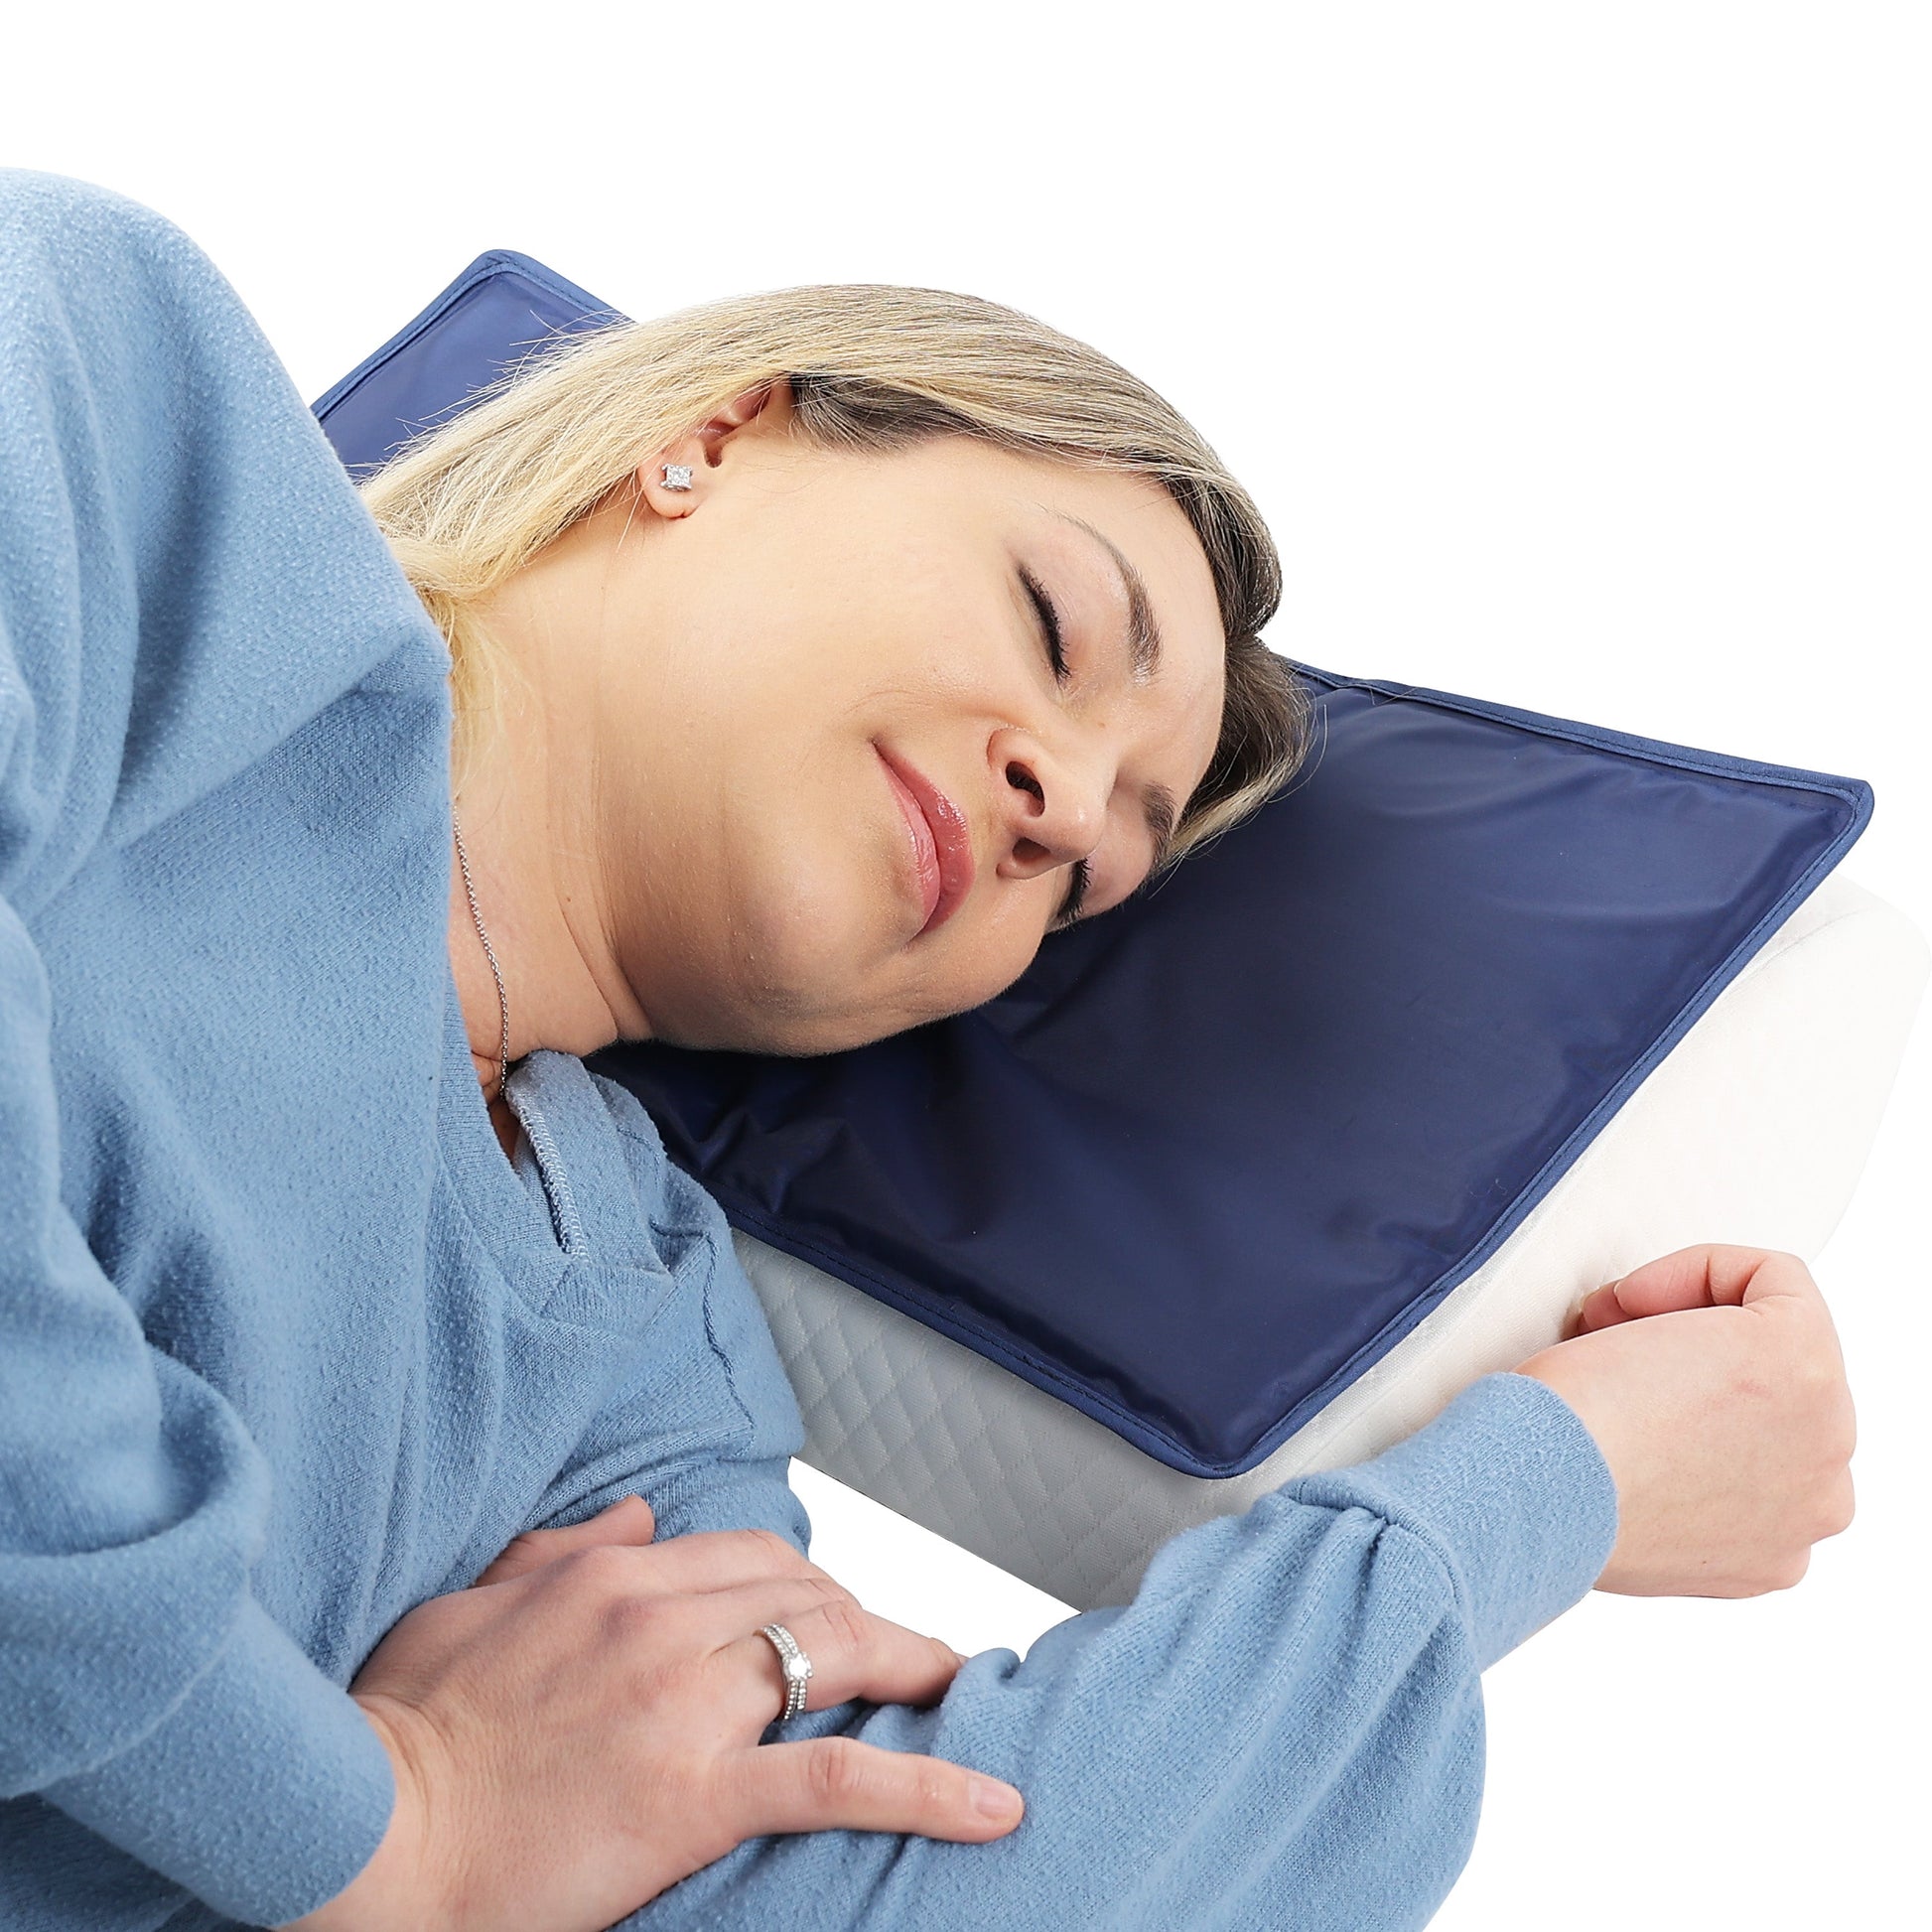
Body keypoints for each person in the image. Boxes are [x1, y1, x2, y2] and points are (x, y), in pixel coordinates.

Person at [0, 170, 1857, 1932]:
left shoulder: (639, 1360)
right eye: (1054, 624)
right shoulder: (115, 395)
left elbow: (979, 1880)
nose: (1058, 812)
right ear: (712, 436)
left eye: (1090, 885)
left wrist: (1535, 1484)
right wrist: (385, 1835)